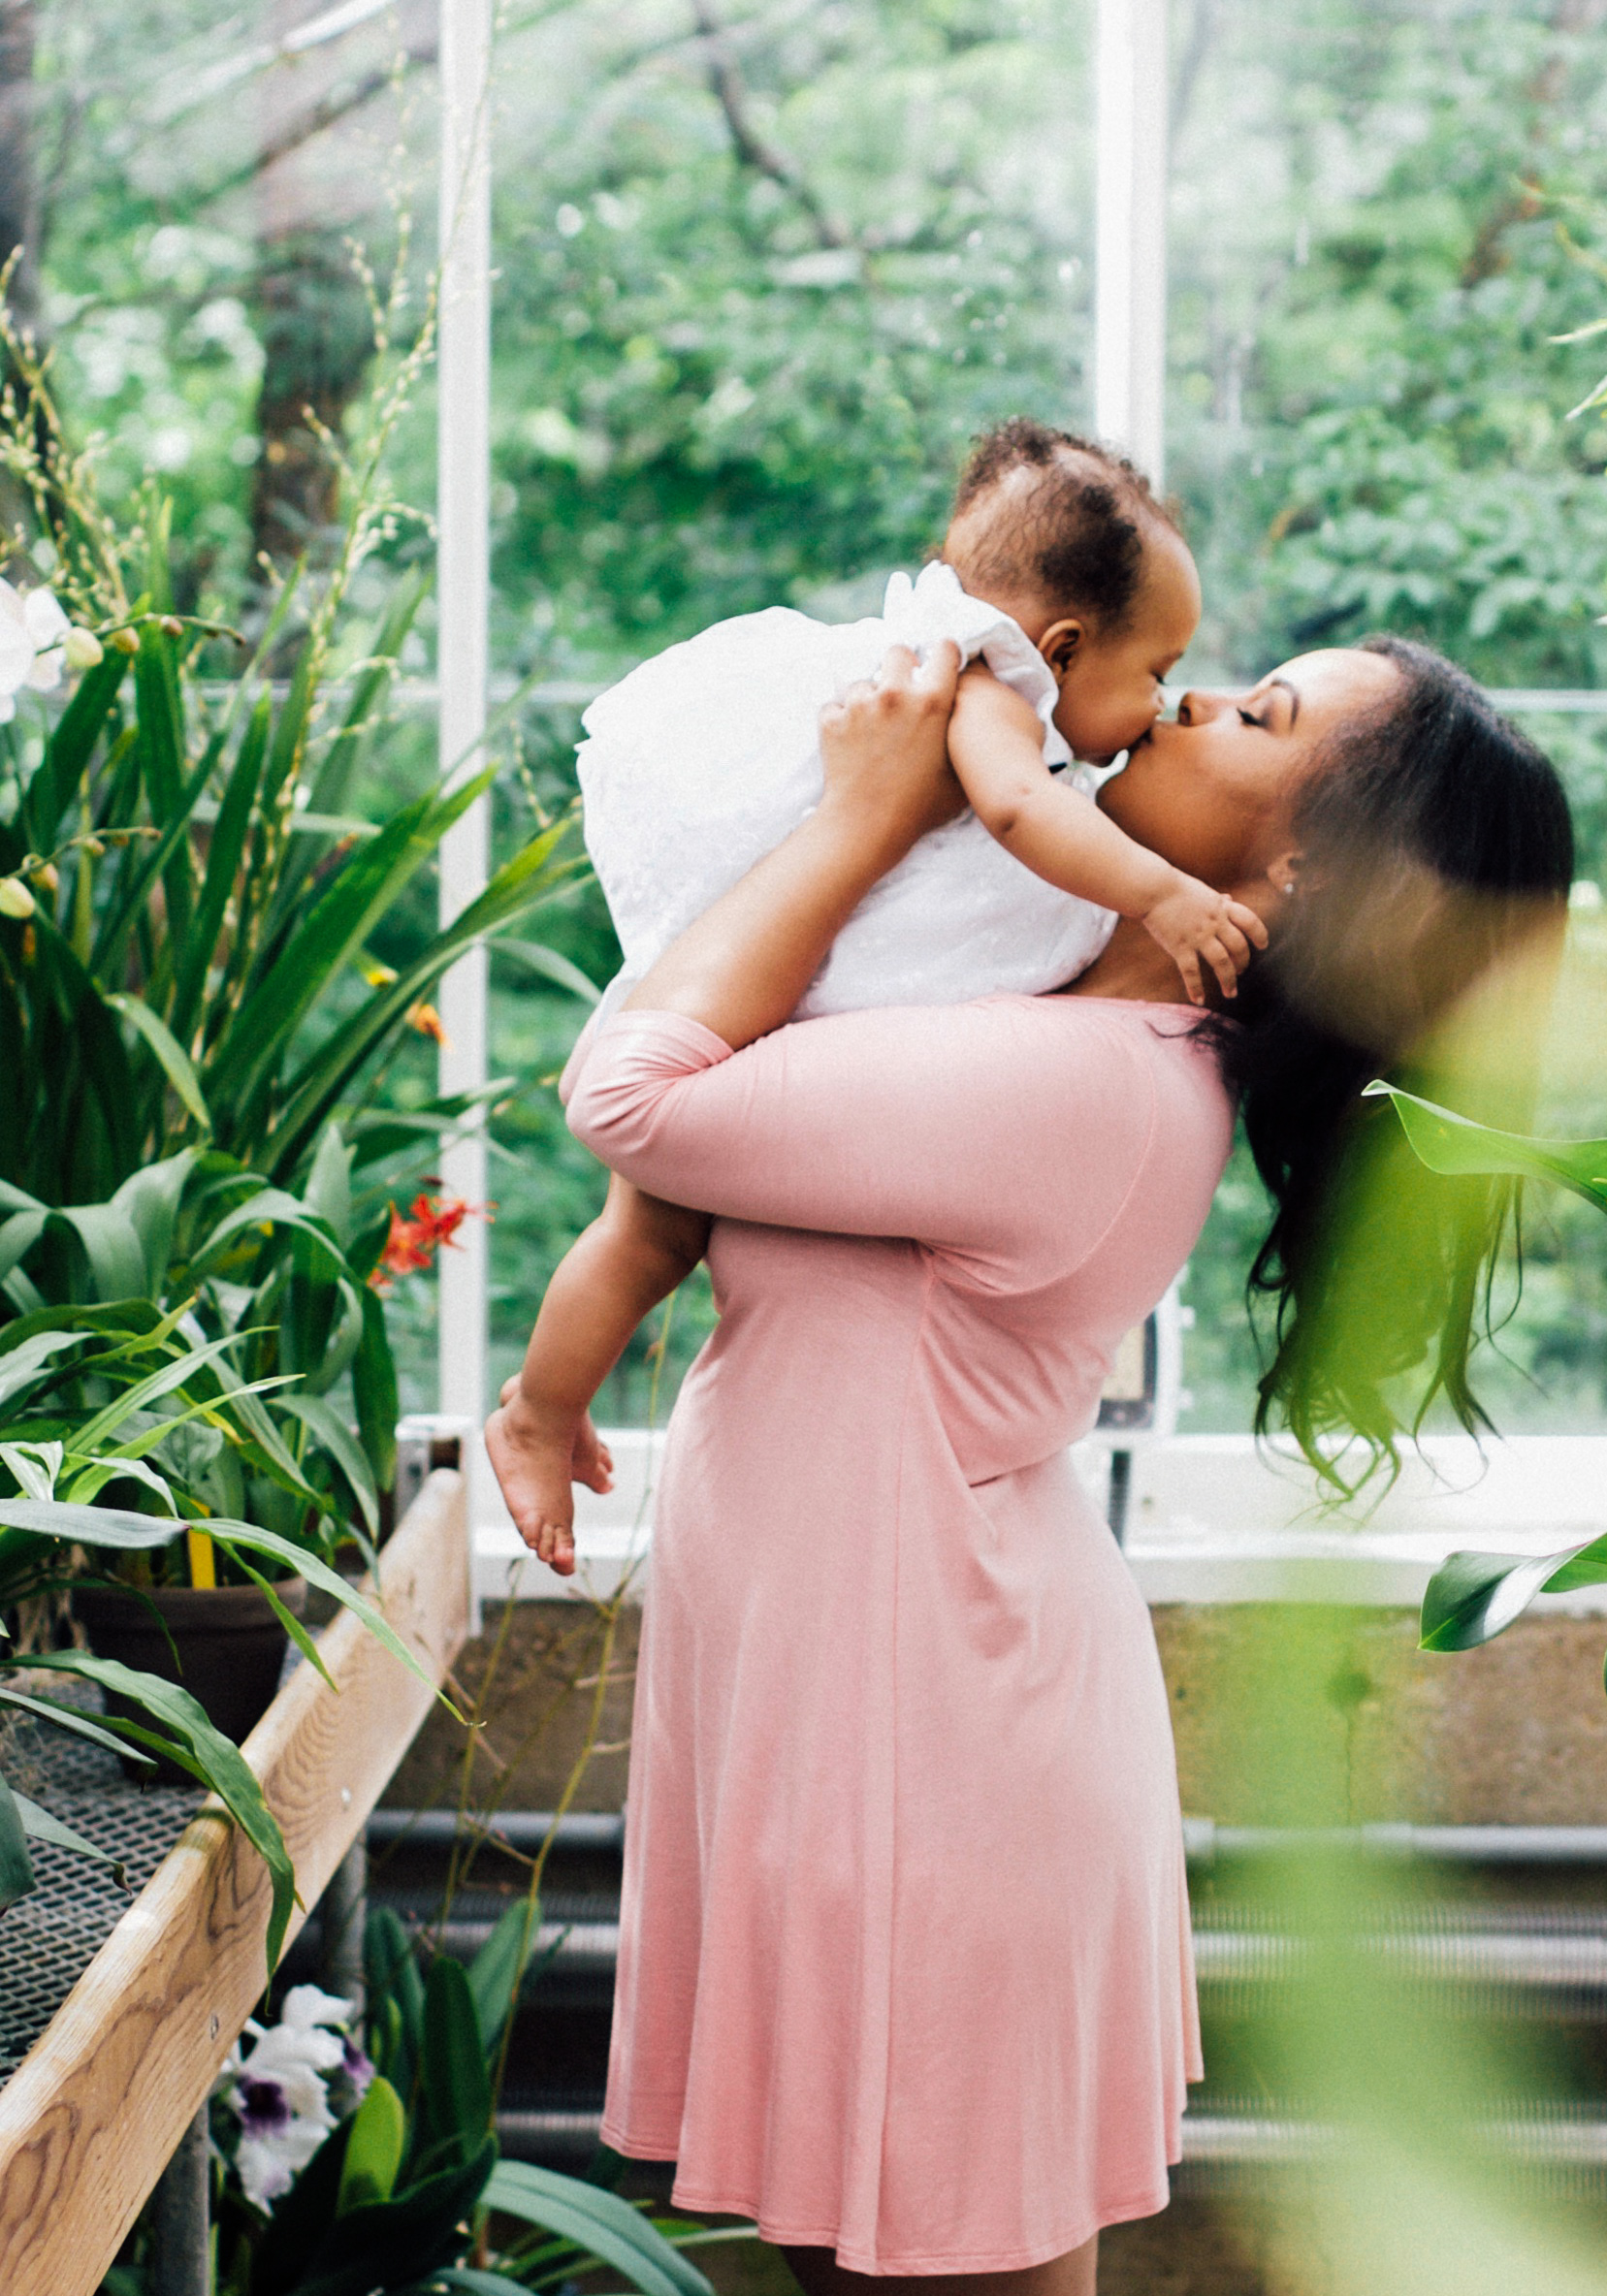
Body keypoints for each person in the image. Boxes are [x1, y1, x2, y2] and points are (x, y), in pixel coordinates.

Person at [556, 629, 1572, 2296]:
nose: (1177, 703)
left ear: (1298, 870)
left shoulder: (1077, 1087)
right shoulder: (1042, 1016)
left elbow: (635, 1093)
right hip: (892, 1743)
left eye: (1247, 721)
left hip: (942, 1778)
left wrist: (865, 796)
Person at [488, 423, 1266, 1574]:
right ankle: (536, 1414)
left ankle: (542, 1407)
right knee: (644, 1233)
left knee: (644, 1234)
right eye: (1154, 671)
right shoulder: (988, 679)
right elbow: (1012, 810)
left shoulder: (1010, 692)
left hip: (774, 982)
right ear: (1060, 644)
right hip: (777, 982)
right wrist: (1163, 895)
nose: (1165, 703)